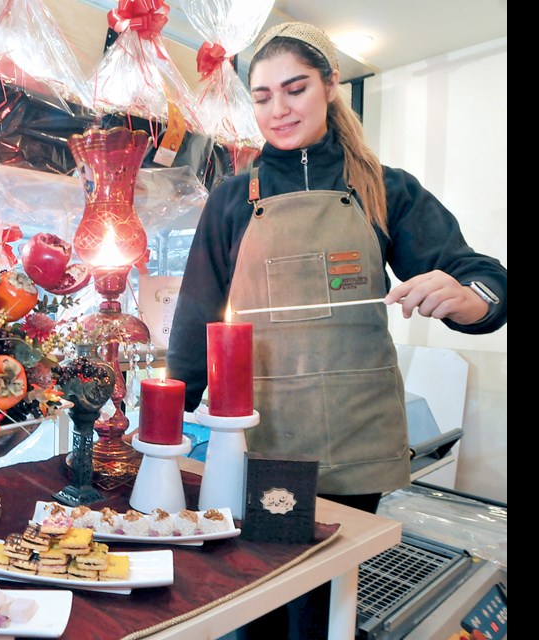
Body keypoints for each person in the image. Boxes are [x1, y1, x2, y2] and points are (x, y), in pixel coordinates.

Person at [165, 21, 507, 639]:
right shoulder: (233, 199)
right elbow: (195, 323)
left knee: (328, 601)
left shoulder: (386, 190)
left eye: (294, 89)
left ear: (330, 85)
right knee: (262, 593)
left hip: (357, 432)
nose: (278, 109)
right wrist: (159, 433)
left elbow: (483, 278)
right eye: (262, 96)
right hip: (265, 435)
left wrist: (466, 298)